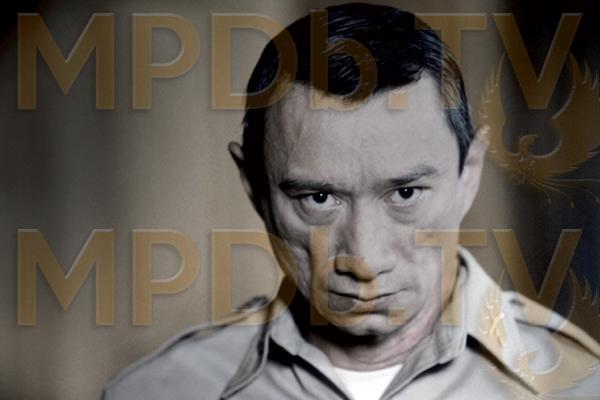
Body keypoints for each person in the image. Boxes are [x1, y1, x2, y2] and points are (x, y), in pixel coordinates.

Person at [103, 3, 600, 399]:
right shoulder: (158, 391)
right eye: (319, 198)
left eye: (405, 193)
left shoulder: (579, 385)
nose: (365, 259)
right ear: (254, 187)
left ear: (467, 176)